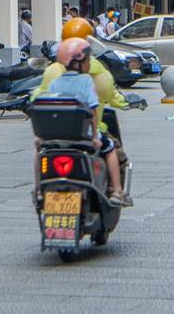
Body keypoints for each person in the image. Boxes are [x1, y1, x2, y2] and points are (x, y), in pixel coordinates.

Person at [34, 36, 130, 205]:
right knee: (110, 149)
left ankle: (38, 190)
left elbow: (44, 103)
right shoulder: (86, 81)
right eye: (87, 59)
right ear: (79, 61)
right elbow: (92, 110)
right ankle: (117, 190)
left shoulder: (55, 82)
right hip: (82, 137)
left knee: (38, 152)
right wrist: (94, 137)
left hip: (55, 137)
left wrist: (41, 137)